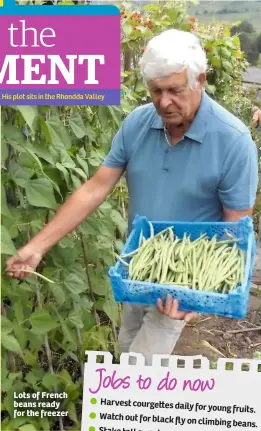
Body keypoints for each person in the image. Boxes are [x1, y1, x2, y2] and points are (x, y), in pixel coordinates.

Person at [6, 29, 259, 365]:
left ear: (200, 80)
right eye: (156, 91)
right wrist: (37, 246)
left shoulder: (233, 142)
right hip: (138, 266)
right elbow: (95, 188)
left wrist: (203, 296)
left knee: (138, 372)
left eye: (175, 90)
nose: (164, 102)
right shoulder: (139, 123)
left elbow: (235, 227)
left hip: (184, 278)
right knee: (127, 351)